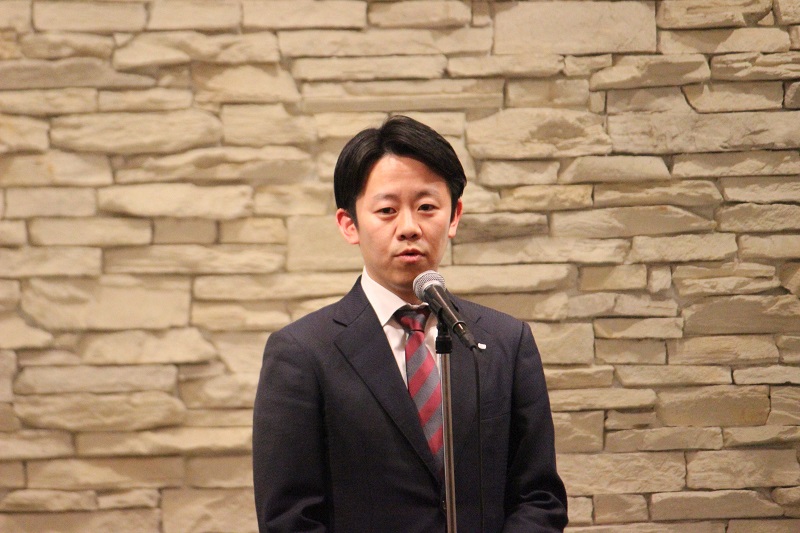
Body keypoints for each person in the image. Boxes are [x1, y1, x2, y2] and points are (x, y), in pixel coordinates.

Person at [252, 115, 568, 532]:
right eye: (387, 210)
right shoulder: (302, 353)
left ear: (453, 217)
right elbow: (289, 518)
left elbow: (539, 498)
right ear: (349, 224)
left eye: (426, 208)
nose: (409, 228)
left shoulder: (506, 341)